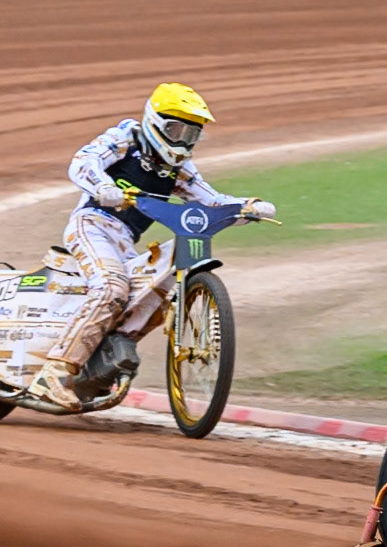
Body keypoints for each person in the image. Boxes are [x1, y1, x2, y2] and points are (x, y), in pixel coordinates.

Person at [27, 85, 276, 409]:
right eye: (176, 130)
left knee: (155, 296)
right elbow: (83, 162)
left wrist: (246, 207)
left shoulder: (178, 169)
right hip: (91, 225)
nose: (182, 141)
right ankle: (54, 373)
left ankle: (100, 365)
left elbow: (210, 199)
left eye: (191, 134)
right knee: (112, 288)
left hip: (124, 241)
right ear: (155, 122)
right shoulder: (125, 139)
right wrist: (103, 187)